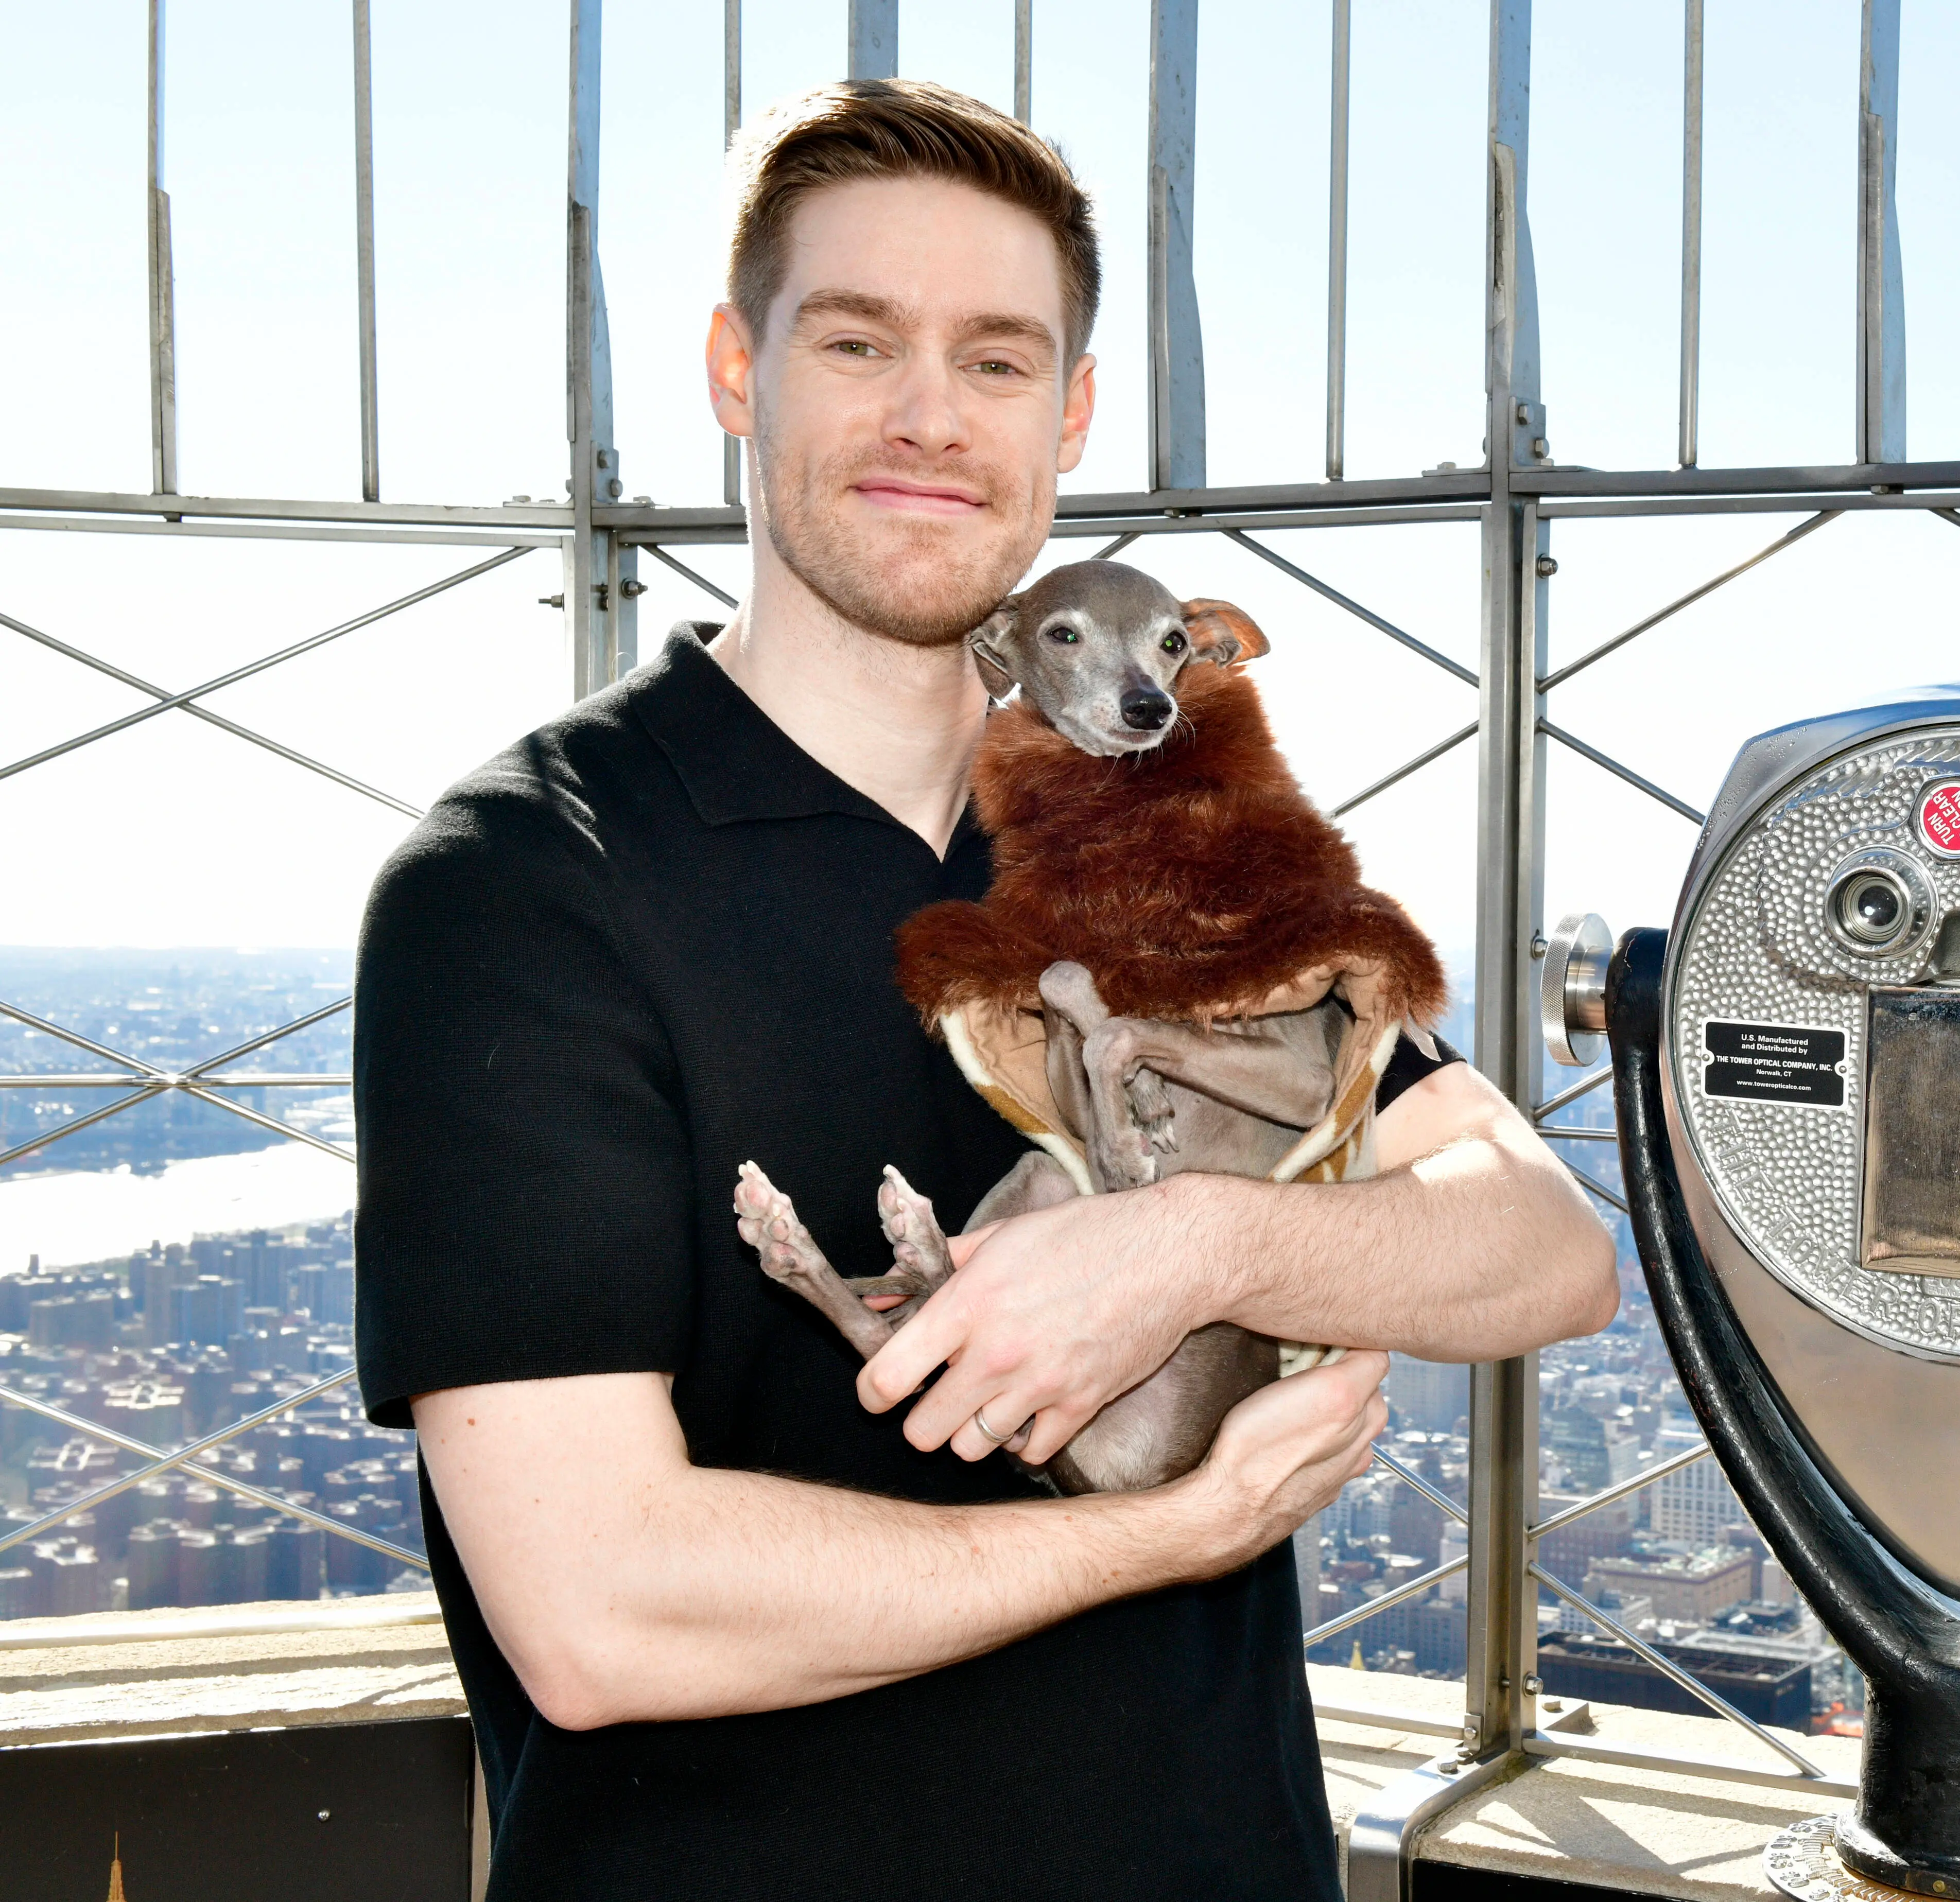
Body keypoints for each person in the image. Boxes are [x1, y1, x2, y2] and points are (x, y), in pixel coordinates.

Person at [352, 79, 1617, 1901]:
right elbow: (601, 1609)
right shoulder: (525, 886)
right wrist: (1177, 1531)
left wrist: (1197, 1246)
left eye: (1000, 361)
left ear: (1073, 411)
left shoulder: (1169, 829)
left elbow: (1538, 1241)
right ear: (736, 367)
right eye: (856, 340)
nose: (932, 418)